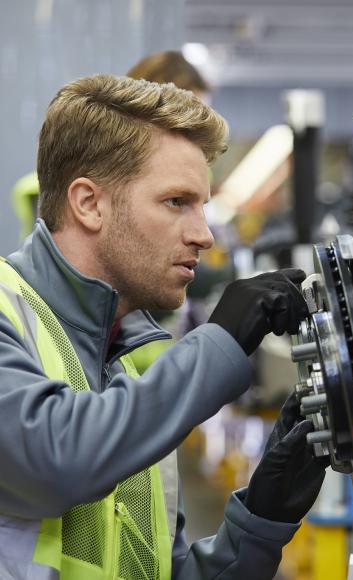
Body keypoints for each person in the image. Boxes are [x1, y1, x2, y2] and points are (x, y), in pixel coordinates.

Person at [0, 74, 325, 579]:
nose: (203, 236)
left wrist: (263, 515)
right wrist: (220, 342)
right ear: (89, 203)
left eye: (203, 206)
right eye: (177, 202)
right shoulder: (7, 312)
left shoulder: (128, 378)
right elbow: (52, 458)